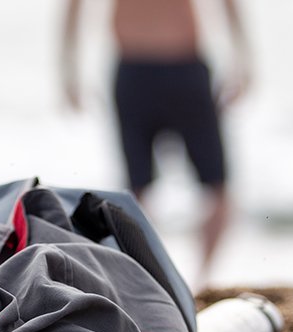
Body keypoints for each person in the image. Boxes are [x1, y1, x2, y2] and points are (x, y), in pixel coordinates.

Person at [61, 0, 253, 290]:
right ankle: (149, 279)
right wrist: (68, 71)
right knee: (135, 193)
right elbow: (74, 6)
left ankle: (202, 280)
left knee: (217, 188)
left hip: (186, 68)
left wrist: (243, 61)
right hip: (133, 73)